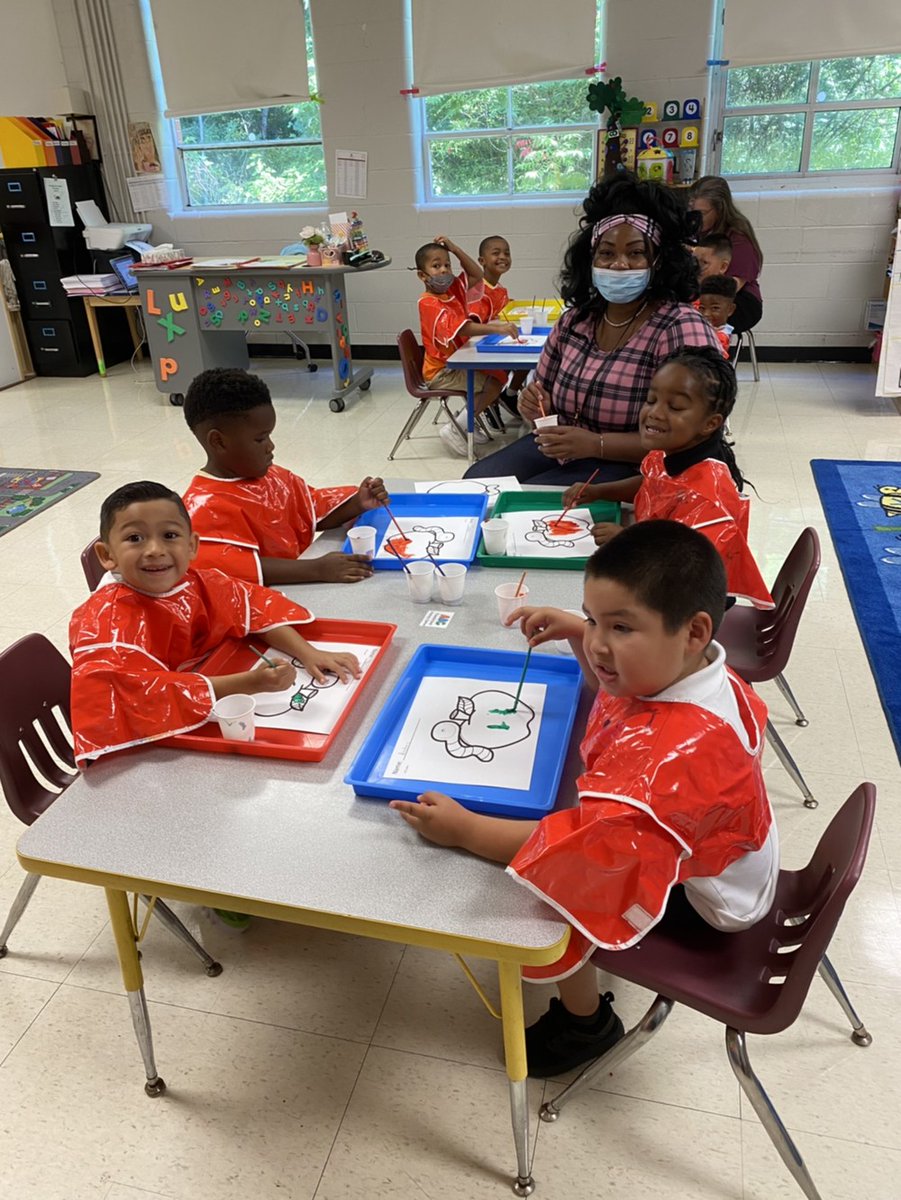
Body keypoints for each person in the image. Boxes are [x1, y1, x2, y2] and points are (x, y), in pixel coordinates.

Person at [390, 521, 778, 1077]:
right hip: (730, 856)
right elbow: (621, 697)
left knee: (554, 881)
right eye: (594, 617)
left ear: (693, 631)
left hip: (713, 905)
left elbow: (583, 846)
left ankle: (586, 1022)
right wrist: (582, 632)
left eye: (621, 627)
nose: (598, 643)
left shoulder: (666, 760)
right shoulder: (701, 669)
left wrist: (465, 829)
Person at [70, 481, 361, 768]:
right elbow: (136, 697)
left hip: (203, 716)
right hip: (146, 748)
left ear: (192, 546)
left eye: (170, 535)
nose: (155, 550)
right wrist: (250, 683)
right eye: (135, 539)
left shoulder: (194, 581)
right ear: (108, 556)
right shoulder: (104, 624)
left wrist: (308, 653)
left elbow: (251, 605)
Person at [466, 173, 721, 487]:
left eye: (636, 253)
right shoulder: (575, 321)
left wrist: (596, 443)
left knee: (538, 505)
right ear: (590, 260)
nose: (619, 265)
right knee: (477, 484)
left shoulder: (680, 328)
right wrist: (531, 405)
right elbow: (542, 402)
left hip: (633, 464)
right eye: (607, 253)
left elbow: (690, 439)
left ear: (659, 262)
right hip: (564, 448)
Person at [562, 348, 772, 609]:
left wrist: (628, 541)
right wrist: (598, 491)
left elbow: (686, 564)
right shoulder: (669, 450)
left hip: (689, 603)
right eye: (651, 400)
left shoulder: (708, 495)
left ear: (710, 423)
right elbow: (652, 484)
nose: (655, 413)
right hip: (654, 571)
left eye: (675, 407)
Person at [182, 369, 388, 585]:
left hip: (299, 591)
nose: (271, 446)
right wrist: (317, 569)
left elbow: (310, 512)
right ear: (219, 442)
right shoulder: (202, 509)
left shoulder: (272, 476)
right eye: (260, 439)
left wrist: (358, 502)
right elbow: (238, 569)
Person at [414, 237, 520, 457]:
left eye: (447, 265)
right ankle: (457, 427)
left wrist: (454, 249)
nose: (444, 270)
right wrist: (497, 329)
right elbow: (462, 328)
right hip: (441, 371)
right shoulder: (428, 302)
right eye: (436, 266)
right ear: (422, 275)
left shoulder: (452, 290)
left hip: (458, 361)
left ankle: (466, 421)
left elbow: (476, 274)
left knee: (497, 373)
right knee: (495, 380)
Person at [689, 176, 763, 333]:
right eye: (693, 212)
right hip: (704, 293)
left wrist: (694, 303)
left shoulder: (739, 238)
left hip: (737, 299)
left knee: (689, 320)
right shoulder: (700, 230)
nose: (697, 219)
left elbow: (730, 287)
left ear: (720, 209)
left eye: (702, 213)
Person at [466, 234, 524, 420]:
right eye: (496, 253)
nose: (503, 257)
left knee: (526, 358)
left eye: (507, 253)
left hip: (495, 343)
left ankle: (510, 394)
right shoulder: (478, 290)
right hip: (476, 349)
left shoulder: (499, 288)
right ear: (482, 261)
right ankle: (486, 404)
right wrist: (498, 327)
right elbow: (472, 326)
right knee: (516, 360)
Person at [698, 276, 737, 357]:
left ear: (730, 310)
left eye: (715, 308)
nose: (706, 314)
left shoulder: (722, 335)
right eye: (702, 308)